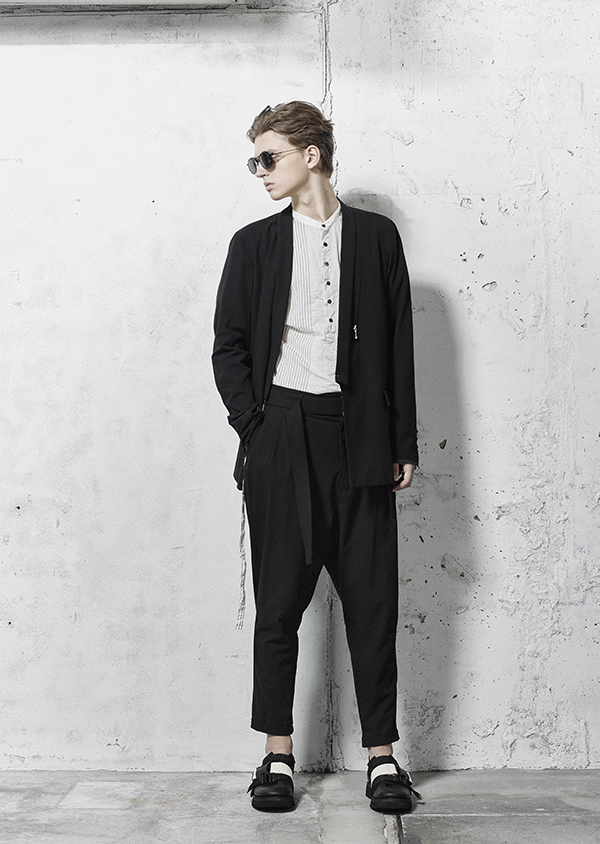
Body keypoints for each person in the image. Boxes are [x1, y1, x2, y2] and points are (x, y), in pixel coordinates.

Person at [212, 101, 421, 814]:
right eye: (255, 160)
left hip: (359, 435)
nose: (260, 171)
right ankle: (277, 754)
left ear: (312, 155)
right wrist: (255, 426)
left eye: (268, 157)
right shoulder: (253, 245)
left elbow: (398, 344)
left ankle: (382, 758)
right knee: (278, 603)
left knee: (373, 602)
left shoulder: (377, 238)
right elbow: (229, 346)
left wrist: (402, 442)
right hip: (282, 434)